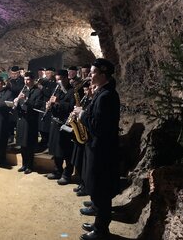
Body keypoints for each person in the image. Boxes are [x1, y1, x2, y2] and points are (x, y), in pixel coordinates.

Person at [73, 58, 120, 240]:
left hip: (102, 150)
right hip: (96, 147)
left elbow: (98, 126)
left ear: (103, 74)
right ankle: (97, 222)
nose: (89, 76)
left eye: (92, 73)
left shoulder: (107, 96)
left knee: (102, 190)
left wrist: (82, 114)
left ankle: (101, 231)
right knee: (97, 186)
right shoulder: (101, 92)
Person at [46, 69, 75, 184]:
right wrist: (49, 105)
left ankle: (67, 174)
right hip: (55, 123)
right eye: (57, 80)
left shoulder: (72, 91)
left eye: (60, 80)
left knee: (66, 151)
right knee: (55, 149)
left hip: (65, 124)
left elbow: (72, 106)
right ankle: (57, 170)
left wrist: (58, 102)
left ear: (66, 78)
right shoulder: (56, 90)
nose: (58, 82)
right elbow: (53, 104)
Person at [14, 71, 43, 174]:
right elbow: (19, 105)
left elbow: (37, 105)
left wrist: (26, 99)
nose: (26, 82)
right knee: (22, 144)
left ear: (33, 80)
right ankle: (24, 164)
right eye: (25, 80)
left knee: (29, 145)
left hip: (31, 121)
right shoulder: (23, 90)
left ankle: (30, 165)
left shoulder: (37, 91)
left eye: (28, 80)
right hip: (22, 120)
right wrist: (16, 102)